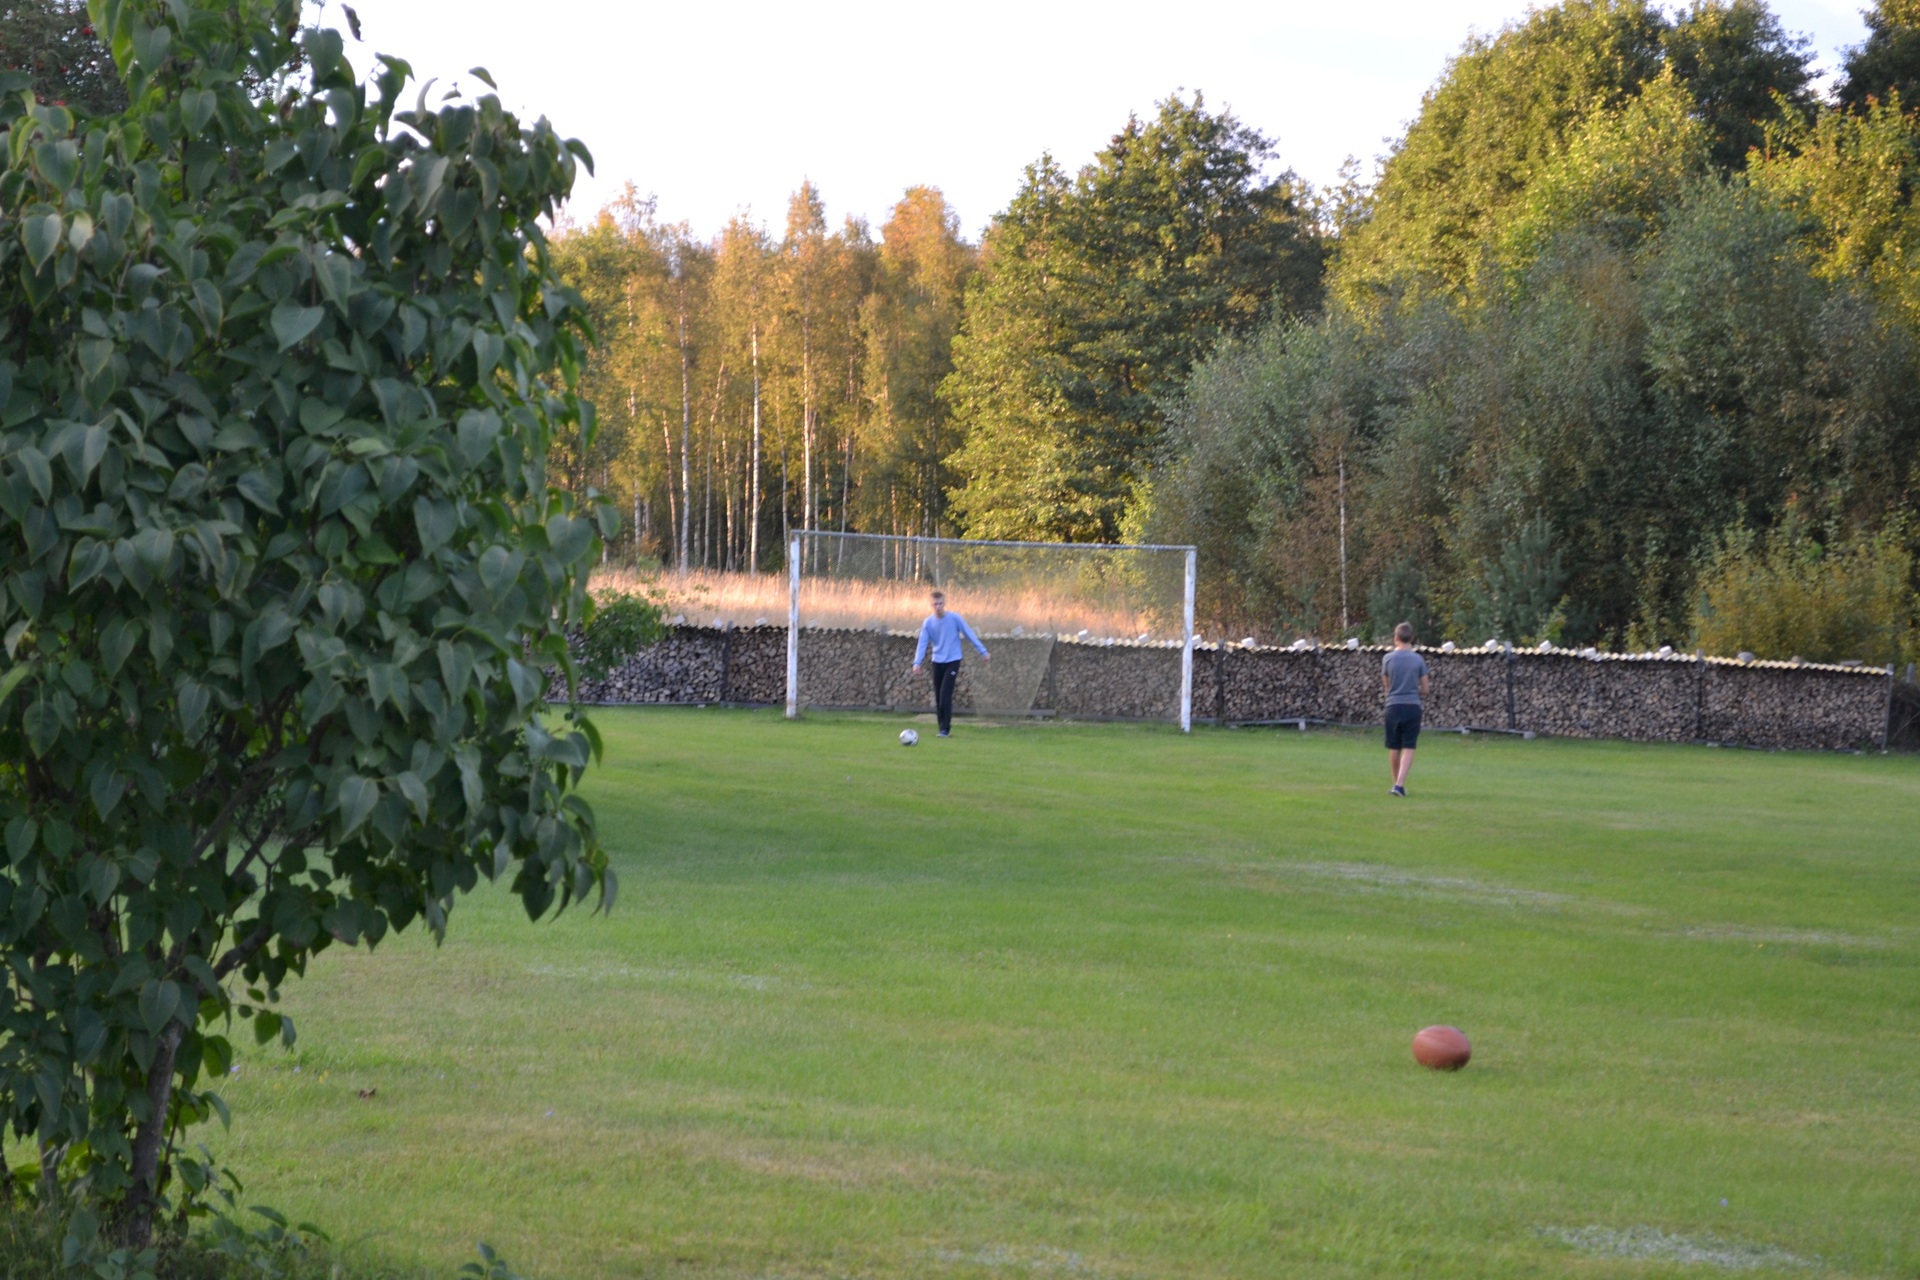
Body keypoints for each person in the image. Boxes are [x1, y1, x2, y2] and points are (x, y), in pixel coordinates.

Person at [911, 589, 990, 737]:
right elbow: (922, 643)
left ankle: (945, 729)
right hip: (937, 661)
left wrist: (983, 651)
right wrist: (917, 663)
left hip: (953, 661)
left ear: (945, 603)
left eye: (940, 603)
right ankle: (941, 727)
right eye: (935, 604)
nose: (938, 607)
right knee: (938, 697)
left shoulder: (954, 618)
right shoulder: (928, 622)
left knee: (945, 695)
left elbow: (969, 633)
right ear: (931, 605)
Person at [1381, 621, 1431, 797]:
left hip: (1392, 706)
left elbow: (1387, 685)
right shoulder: (1418, 660)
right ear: (1412, 638)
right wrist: (1414, 690)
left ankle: (1397, 784)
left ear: (1396, 638)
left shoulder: (1387, 659)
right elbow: (1426, 689)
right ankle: (1399, 785)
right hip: (1412, 706)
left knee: (1394, 746)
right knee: (1409, 746)